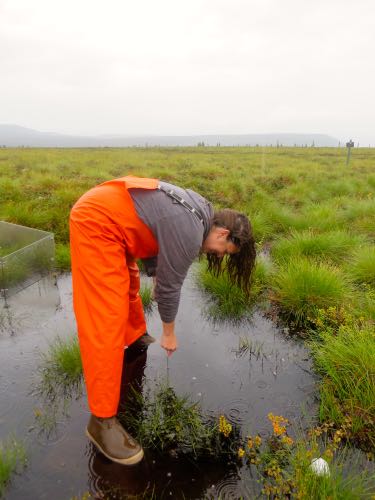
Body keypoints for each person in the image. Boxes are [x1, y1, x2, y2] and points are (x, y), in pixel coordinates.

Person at [69, 175, 256, 465]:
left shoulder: (199, 210)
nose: (214, 255)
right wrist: (169, 333)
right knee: (105, 317)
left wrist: (155, 273)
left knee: (128, 283)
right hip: (97, 222)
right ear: (222, 234)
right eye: (221, 251)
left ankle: (132, 336)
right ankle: (102, 423)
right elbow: (170, 287)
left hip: (110, 213)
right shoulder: (192, 230)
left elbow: (154, 229)